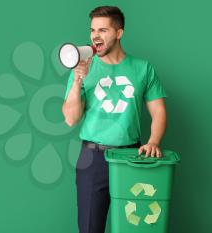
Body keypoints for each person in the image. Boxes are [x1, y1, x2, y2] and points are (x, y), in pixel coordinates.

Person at [61, 6, 167, 233]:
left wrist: (154, 141)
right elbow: (70, 119)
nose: (95, 36)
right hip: (92, 159)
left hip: (131, 156)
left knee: (135, 227)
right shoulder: (81, 68)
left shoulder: (143, 68)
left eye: (103, 30)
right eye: (92, 30)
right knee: (90, 228)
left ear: (119, 33)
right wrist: (78, 80)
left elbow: (158, 111)